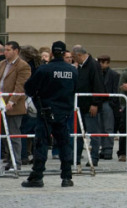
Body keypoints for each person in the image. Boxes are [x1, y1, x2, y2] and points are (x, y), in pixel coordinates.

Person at [21, 41, 78, 188]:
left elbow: (29, 87)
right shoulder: (72, 71)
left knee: (41, 144)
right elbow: (76, 88)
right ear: (65, 53)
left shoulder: (44, 69)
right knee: (65, 144)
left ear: (52, 53)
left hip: (46, 111)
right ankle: (67, 177)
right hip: (64, 112)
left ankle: (37, 176)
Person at [72, 45, 105, 167]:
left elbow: (98, 85)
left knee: (93, 133)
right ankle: (76, 157)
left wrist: (95, 103)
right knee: (79, 134)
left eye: (75, 57)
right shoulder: (81, 66)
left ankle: (94, 157)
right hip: (80, 105)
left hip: (90, 106)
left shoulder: (93, 65)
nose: (74, 60)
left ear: (80, 55)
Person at [0, 41, 31, 171]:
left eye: (8, 50)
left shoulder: (23, 66)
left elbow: (21, 86)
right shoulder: (2, 64)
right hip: (1, 102)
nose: (5, 52)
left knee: (13, 134)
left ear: (16, 51)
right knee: (4, 135)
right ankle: (10, 159)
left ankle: (16, 162)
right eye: (4, 50)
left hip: (14, 105)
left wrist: (11, 102)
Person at [97, 55, 120, 161]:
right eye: (100, 62)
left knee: (108, 127)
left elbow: (115, 89)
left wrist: (112, 102)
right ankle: (103, 149)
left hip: (107, 102)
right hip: (98, 102)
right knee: (100, 126)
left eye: (103, 62)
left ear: (108, 63)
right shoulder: (97, 73)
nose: (101, 64)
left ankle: (108, 150)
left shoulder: (114, 74)